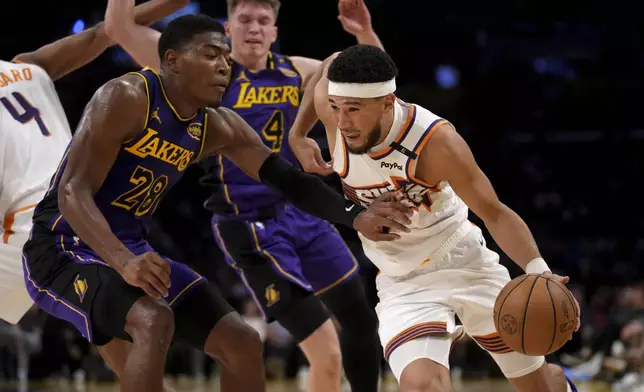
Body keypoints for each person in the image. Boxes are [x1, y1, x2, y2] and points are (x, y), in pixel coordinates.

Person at [23, 14, 410, 392]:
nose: (224, 65)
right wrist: (124, 261)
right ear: (172, 60)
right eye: (211, 54)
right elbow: (72, 192)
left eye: (226, 58)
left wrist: (356, 216)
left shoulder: (218, 125)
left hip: (133, 250)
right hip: (62, 247)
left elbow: (289, 182)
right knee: (153, 320)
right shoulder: (127, 97)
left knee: (241, 341)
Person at [288, 44, 583, 392]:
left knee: (540, 386)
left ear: (387, 102)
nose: (341, 122)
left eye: (353, 109)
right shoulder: (333, 109)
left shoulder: (435, 141)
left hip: (465, 260)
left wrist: (540, 273)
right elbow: (330, 63)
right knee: (423, 386)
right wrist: (299, 133)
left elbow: (494, 212)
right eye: (336, 108)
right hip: (404, 280)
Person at [1, 2, 188, 388]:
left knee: (102, 317)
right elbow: (106, 32)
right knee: (102, 318)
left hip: (33, 222)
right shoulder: (22, 67)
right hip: (91, 209)